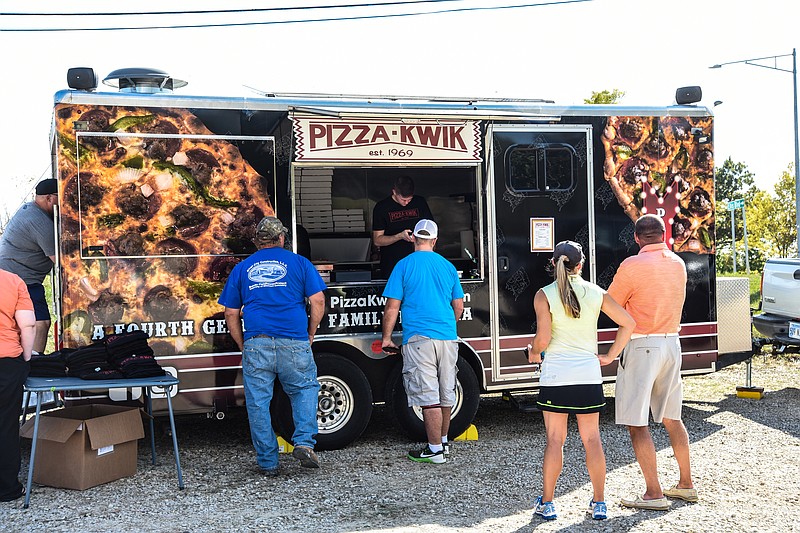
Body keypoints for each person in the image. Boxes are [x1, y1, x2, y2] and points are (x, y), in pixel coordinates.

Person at [527, 241, 635, 521]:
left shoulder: (544, 295)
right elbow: (628, 323)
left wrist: (533, 352)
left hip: (556, 376)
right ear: (581, 265)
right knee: (592, 439)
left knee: (554, 440)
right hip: (588, 374)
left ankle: (548, 503)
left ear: (553, 264)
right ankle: (599, 503)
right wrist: (611, 355)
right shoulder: (596, 292)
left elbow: (543, 340)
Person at [218, 216, 327, 476]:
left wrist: (243, 344)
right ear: (281, 238)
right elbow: (318, 300)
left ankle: (268, 463)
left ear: (258, 241)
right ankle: (303, 442)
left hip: (257, 343)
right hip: (294, 341)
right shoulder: (300, 263)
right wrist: (310, 332)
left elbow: (230, 313)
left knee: (258, 403)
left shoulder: (243, 268)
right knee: (304, 389)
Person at [608, 214, 697, 511]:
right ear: (665, 234)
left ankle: (653, 493)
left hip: (642, 345)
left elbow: (611, 305)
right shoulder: (677, 263)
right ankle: (686, 484)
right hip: (672, 343)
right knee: (673, 417)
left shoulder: (631, 266)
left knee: (637, 422)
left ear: (636, 238)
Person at [381, 219, 463, 464]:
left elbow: (392, 307)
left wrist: (386, 337)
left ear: (413, 239)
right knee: (446, 393)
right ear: (435, 241)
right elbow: (458, 306)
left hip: (419, 338)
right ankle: (444, 442)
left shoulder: (404, 265)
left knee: (429, 397)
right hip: (448, 338)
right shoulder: (448, 266)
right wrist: (447, 326)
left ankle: (435, 450)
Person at [0, 179, 59, 354]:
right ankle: (34, 364)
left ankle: (24, 360)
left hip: (14, 277)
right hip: (21, 279)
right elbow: (61, 262)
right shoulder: (39, 221)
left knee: (21, 325)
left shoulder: (31, 210)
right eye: (60, 198)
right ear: (49, 198)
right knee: (40, 323)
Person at [0, 269, 36, 502]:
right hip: (6, 363)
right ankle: (7, 489)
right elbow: (28, 326)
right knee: (5, 425)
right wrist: (25, 358)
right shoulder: (12, 281)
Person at [372, 175, 433, 278]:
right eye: (403, 200)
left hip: (418, 263)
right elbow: (377, 240)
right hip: (393, 265)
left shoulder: (420, 202)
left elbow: (431, 229)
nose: (406, 203)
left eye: (409, 199)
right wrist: (399, 236)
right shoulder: (382, 207)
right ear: (394, 192)